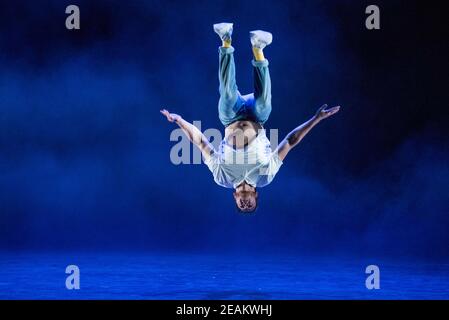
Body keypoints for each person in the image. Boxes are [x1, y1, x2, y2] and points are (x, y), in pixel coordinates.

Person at [161, 22, 340, 213]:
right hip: (257, 117)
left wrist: (179, 121)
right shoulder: (265, 177)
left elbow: (201, 143)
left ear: (235, 198)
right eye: (250, 206)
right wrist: (316, 119)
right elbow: (290, 142)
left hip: (230, 117)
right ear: (256, 196)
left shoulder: (222, 178)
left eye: (241, 206)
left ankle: (226, 40)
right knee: (264, 101)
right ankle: (258, 48)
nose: (245, 205)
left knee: (228, 95)